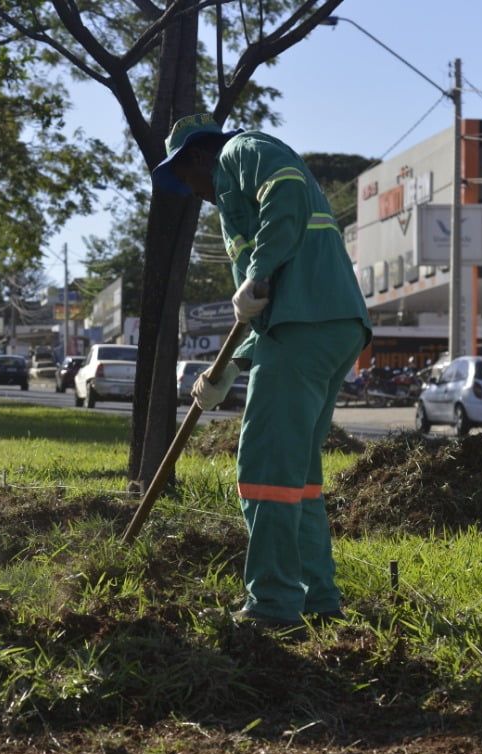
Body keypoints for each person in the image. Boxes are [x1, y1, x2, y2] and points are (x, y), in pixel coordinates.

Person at [152, 113, 372, 635]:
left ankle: (272, 603)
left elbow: (287, 195)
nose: (193, 191)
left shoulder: (241, 151)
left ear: (199, 155)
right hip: (326, 322)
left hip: (307, 321)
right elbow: (260, 309)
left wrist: (258, 271)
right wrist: (225, 369)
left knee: (266, 466)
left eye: (187, 177)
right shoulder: (236, 204)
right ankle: (319, 599)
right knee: (299, 475)